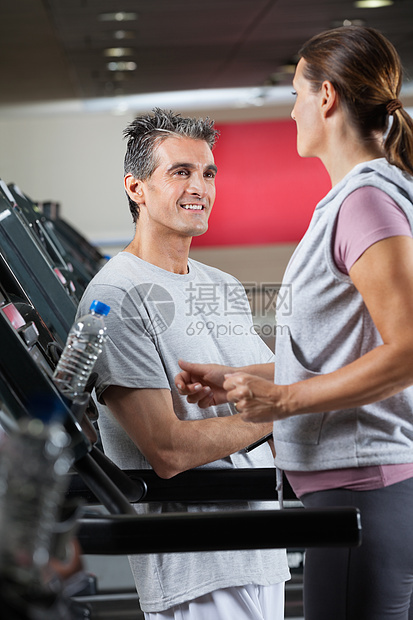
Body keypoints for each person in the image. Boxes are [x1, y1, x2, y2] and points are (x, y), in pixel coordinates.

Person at [176, 26, 413, 620]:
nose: (292, 110)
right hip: (355, 487)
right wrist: (241, 379)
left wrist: (282, 399)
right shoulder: (353, 200)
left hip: (366, 488)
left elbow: (408, 350)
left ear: (327, 97)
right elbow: (340, 349)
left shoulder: (366, 201)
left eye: (295, 94)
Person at [76, 108, 289, 619]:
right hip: (196, 570)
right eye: (181, 172)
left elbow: (277, 388)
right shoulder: (116, 295)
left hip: (264, 549)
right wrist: (282, 407)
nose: (200, 186)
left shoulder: (222, 286)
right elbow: (167, 449)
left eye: (208, 173)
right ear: (136, 188)